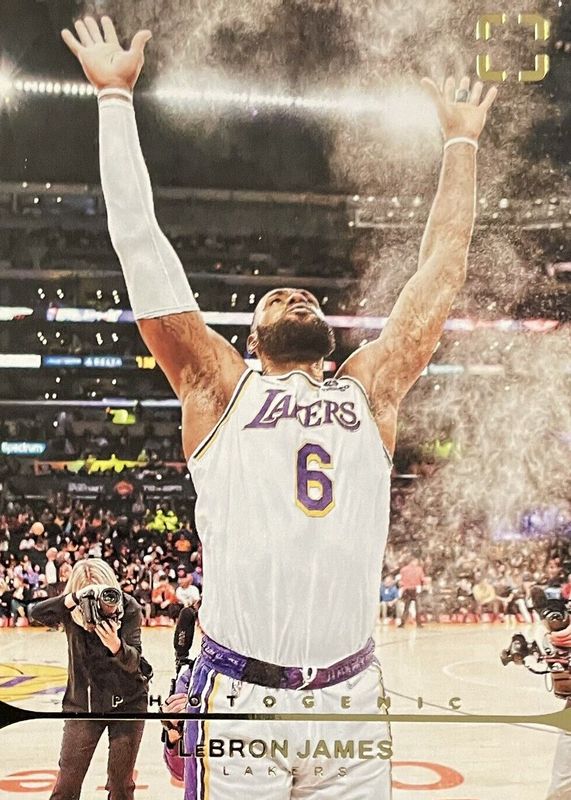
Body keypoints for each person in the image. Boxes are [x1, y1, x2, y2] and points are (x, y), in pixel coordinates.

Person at [61, 14, 497, 799]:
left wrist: (460, 143)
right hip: (240, 698)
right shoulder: (219, 387)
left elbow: (440, 269)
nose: (297, 296)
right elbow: (142, 248)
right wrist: (114, 101)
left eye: (306, 296)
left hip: (350, 698)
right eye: (275, 298)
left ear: (327, 336)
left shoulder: (369, 389)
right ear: (250, 338)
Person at [30, 558, 149, 800]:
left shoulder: (128, 607)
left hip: (128, 702)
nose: (96, 603)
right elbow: (36, 614)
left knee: (120, 785)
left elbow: (136, 665)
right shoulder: (70, 610)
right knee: (67, 784)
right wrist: (73, 599)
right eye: (88, 594)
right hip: (83, 705)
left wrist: (116, 646)